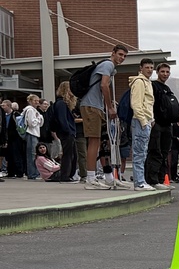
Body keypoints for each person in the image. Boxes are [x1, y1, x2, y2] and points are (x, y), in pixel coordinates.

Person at [80, 44, 132, 190]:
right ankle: (90, 179)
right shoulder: (108, 64)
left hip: (97, 107)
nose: (122, 58)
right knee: (94, 141)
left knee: (104, 142)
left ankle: (109, 177)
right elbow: (104, 85)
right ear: (113, 53)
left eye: (124, 56)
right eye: (120, 54)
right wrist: (110, 107)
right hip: (92, 106)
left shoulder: (110, 67)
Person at [146, 62, 179, 188]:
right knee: (155, 151)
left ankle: (161, 179)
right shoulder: (153, 86)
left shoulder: (167, 89)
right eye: (162, 72)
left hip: (167, 125)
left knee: (165, 153)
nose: (165, 74)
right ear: (157, 72)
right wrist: (151, 119)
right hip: (156, 124)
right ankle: (152, 180)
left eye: (167, 72)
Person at [128, 58, 156, 191]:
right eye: (147, 67)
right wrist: (144, 121)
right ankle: (139, 182)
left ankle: (141, 180)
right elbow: (136, 104)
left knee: (143, 152)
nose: (149, 70)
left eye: (151, 67)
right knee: (139, 152)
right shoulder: (139, 82)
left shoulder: (147, 83)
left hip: (146, 120)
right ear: (141, 68)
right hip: (140, 121)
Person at [51, 82, 78, 182]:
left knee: (72, 154)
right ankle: (65, 175)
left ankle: (68, 174)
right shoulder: (61, 104)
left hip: (66, 132)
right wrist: (68, 130)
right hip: (66, 133)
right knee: (68, 154)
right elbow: (62, 119)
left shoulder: (60, 103)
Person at [22, 94, 44, 180]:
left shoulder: (34, 110)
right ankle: (32, 174)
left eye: (38, 101)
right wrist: (39, 119)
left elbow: (40, 124)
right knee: (32, 154)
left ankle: (33, 173)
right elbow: (32, 123)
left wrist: (39, 119)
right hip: (32, 133)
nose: (37, 102)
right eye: (35, 101)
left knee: (32, 154)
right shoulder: (30, 110)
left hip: (34, 133)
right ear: (30, 101)